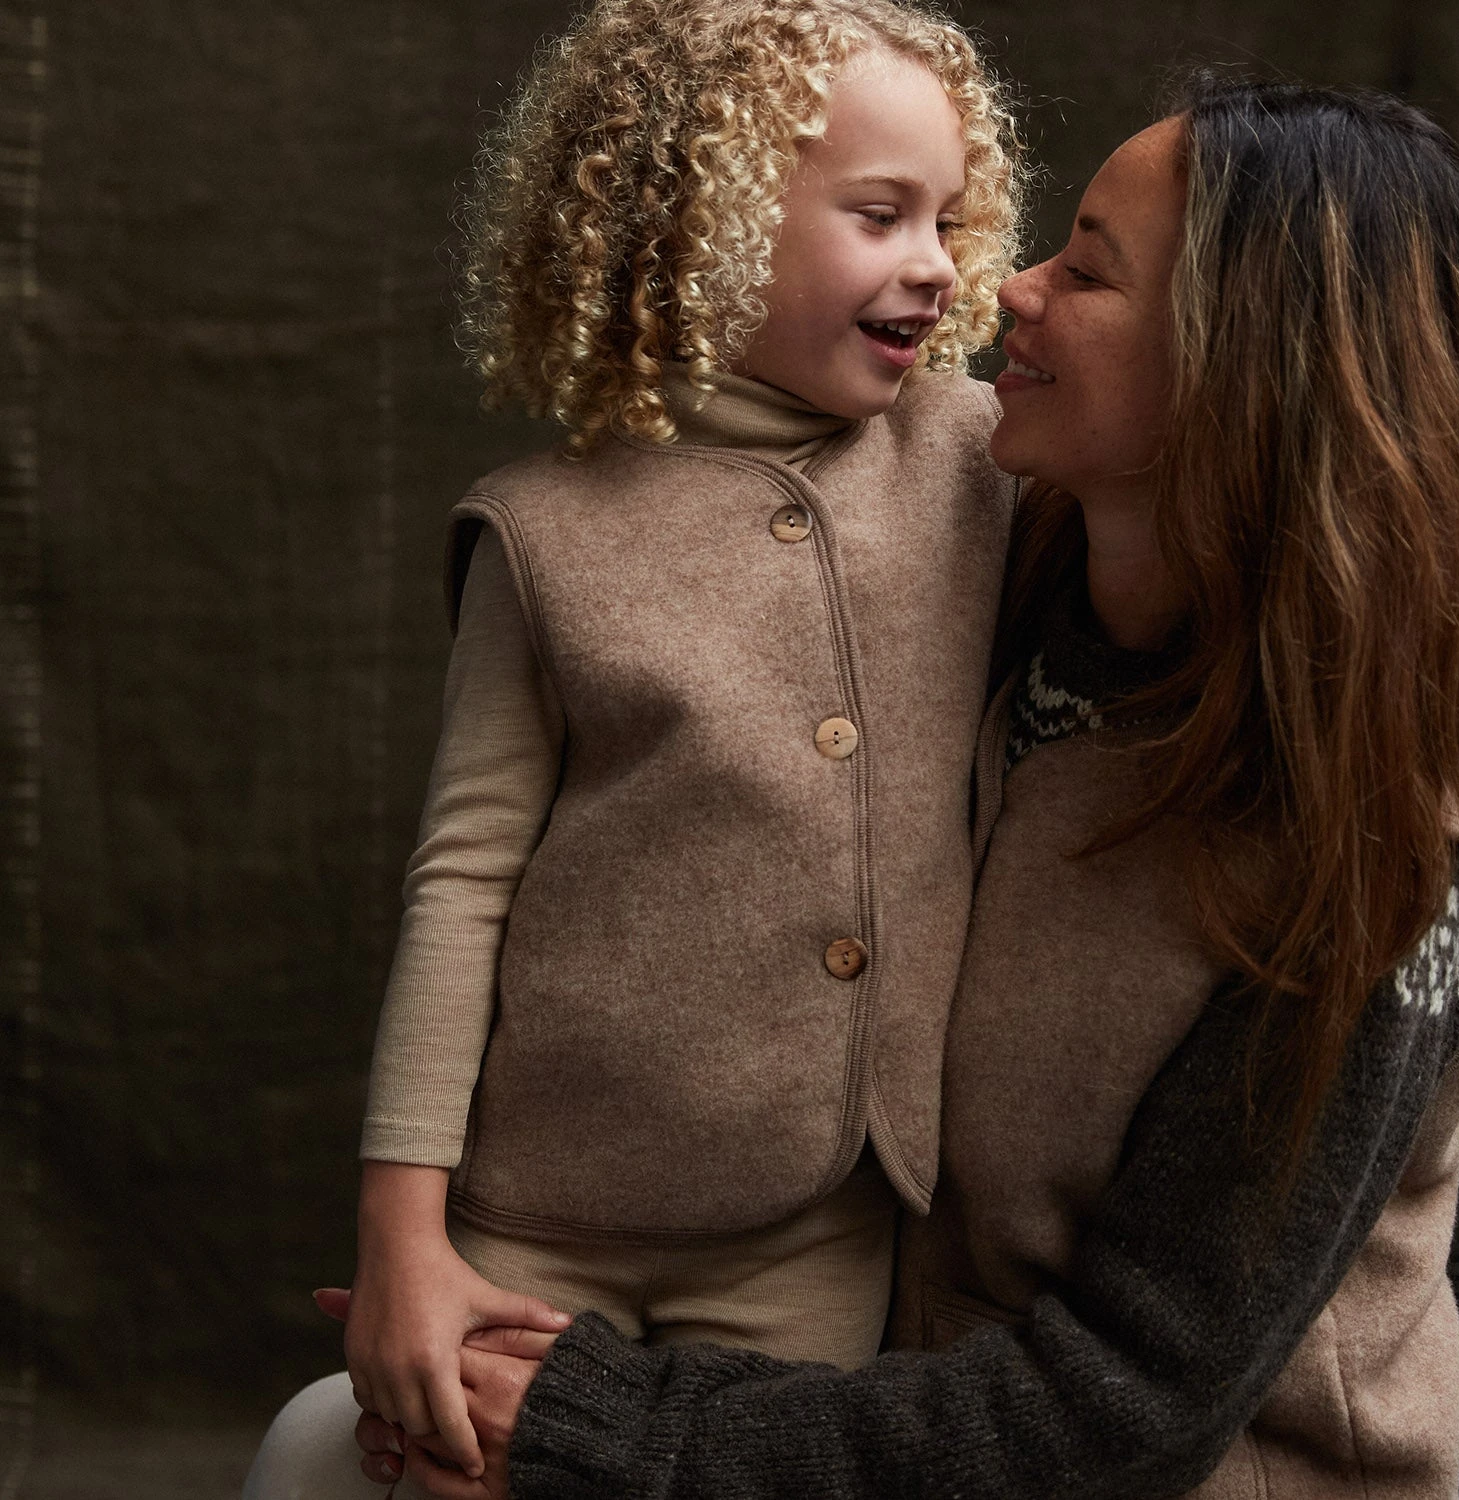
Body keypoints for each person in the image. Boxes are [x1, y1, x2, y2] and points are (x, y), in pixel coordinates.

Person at [349, 76, 1459, 1500]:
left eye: (1087, 271)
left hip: (1158, 1475)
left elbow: (1124, 1415)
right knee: (332, 1450)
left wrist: (610, 1426)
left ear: (1245, 365)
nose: (1004, 287)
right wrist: (422, 1238)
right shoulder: (1002, 607)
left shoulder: (1388, 879)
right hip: (873, 1419)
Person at [243, 0, 1024, 1491]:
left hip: (819, 1221)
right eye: (879, 215)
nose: (934, 261)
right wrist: (403, 1236)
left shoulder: (979, 460)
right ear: (699, 225)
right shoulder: (544, 529)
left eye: (948, 216)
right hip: (538, 1216)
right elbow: (463, 880)